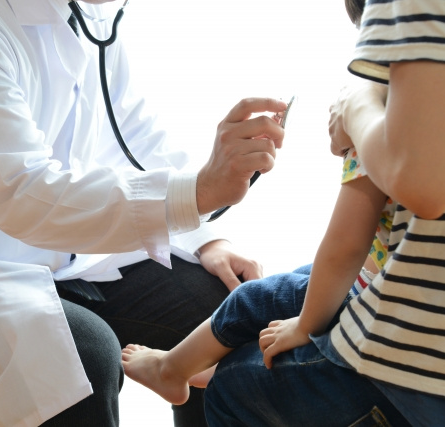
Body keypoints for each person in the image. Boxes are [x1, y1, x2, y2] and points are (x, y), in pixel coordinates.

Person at [0, 0, 290, 426]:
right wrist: (199, 192)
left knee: (224, 313)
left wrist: (205, 239)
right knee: (80, 357)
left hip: (45, 258)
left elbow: (130, 141)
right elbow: (24, 195)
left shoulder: (86, 17)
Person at [202, 0, 445, 425]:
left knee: (232, 381)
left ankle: (176, 368)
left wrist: (356, 106)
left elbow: (346, 246)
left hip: (430, 374)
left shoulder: (385, 109)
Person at [121, 108, 396, 405]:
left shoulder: (374, 148)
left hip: (374, 300)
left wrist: (305, 325)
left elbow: (345, 250)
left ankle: (170, 370)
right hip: (381, 280)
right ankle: (208, 358)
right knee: (302, 276)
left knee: (253, 298)